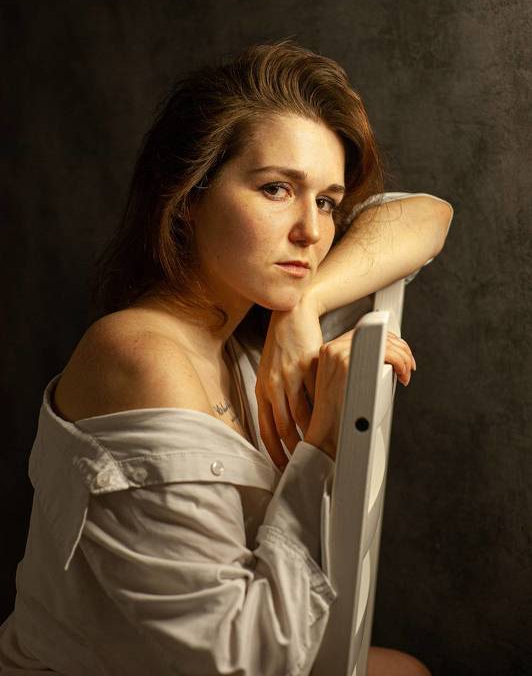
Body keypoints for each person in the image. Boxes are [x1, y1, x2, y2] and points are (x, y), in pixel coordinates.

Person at [0, 40, 452, 675]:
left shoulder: (246, 334)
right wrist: (327, 436)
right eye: (276, 189)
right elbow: (236, 660)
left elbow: (426, 216)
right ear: (188, 196)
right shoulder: (141, 355)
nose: (312, 231)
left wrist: (307, 301)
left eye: (326, 200)